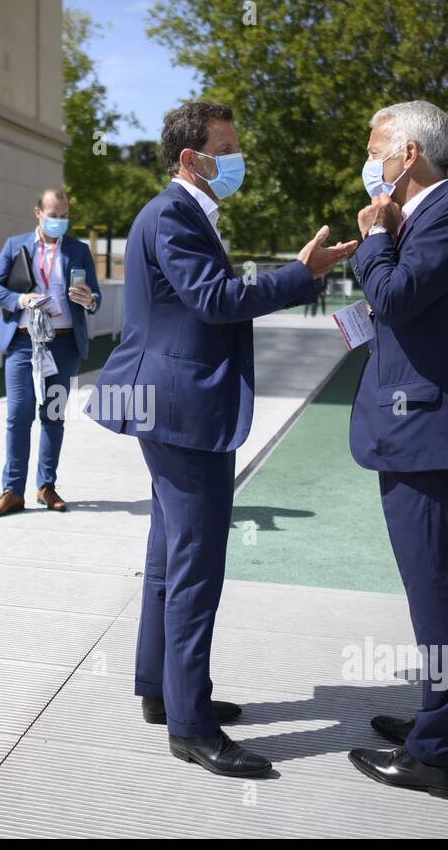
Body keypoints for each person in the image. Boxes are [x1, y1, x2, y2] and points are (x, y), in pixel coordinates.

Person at [87, 101, 357, 778]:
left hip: (170, 404)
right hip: (182, 412)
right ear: (190, 158)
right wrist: (304, 274)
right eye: (225, 148)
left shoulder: (176, 214)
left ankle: (165, 691)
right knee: (195, 569)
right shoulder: (175, 214)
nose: (236, 160)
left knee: (167, 558)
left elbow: (202, 301)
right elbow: (215, 300)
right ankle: (191, 725)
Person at [344, 100, 448, 800]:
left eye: (376, 145)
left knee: (438, 600)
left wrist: (376, 236)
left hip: (429, 440)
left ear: (409, 154)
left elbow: (398, 298)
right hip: (424, 432)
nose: (368, 158)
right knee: (447, 595)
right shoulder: (433, 217)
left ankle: (437, 756)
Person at [0, 187, 101, 517]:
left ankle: (46, 486)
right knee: (19, 415)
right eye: (53, 216)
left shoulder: (79, 250)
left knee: (52, 416)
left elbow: (96, 298)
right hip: (23, 343)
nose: (59, 222)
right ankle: (12, 491)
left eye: (64, 217)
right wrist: (20, 300)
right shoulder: (14, 245)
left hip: (62, 345)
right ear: (38, 213)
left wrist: (88, 300)